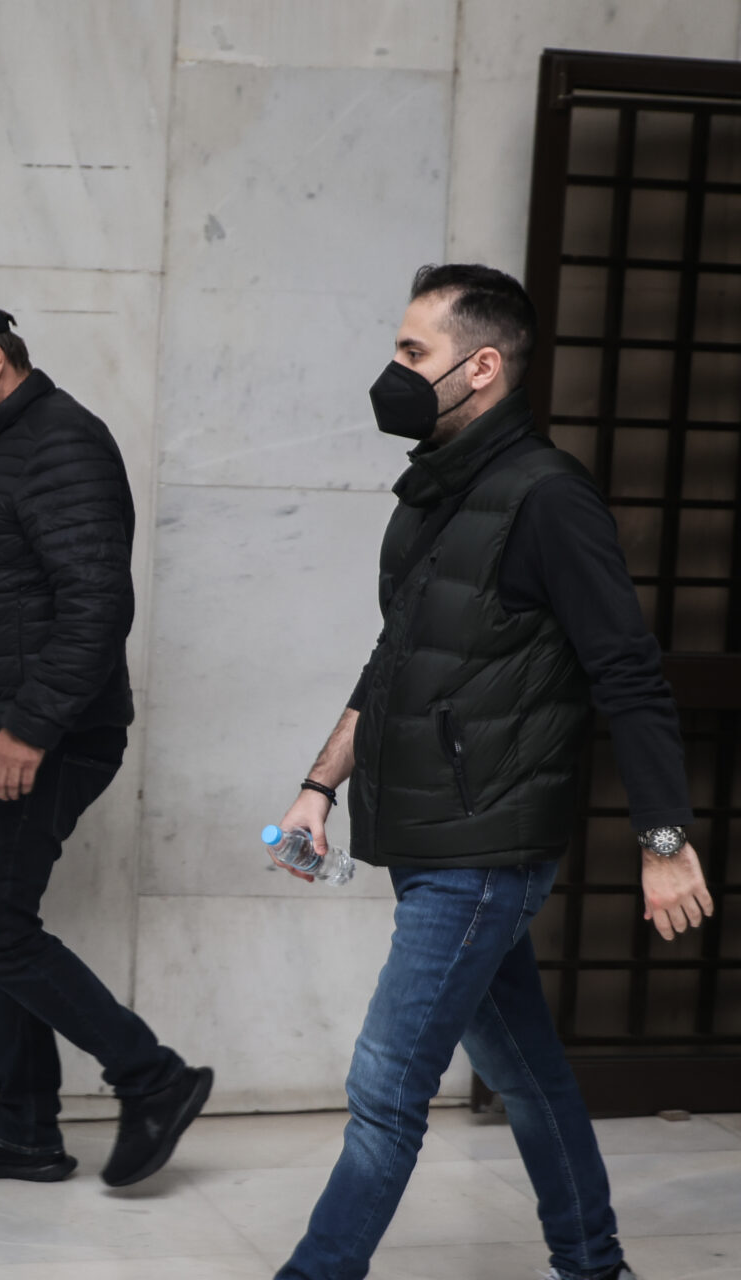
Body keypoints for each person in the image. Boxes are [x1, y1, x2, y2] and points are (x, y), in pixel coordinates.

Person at [270, 264, 716, 1280]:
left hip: (483, 847)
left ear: (480, 368)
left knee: (385, 1086)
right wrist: (319, 784)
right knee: (527, 1072)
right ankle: (594, 1264)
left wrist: (663, 839)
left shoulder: (549, 498)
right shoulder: (437, 489)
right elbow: (397, 657)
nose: (392, 370)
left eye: (411, 352)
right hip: (428, 835)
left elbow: (628, 672)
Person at [0, 295, 212, 1188]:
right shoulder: (10, 446)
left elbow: (97, 602)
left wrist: (28, 729)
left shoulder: (60, 441)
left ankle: (153, 1077)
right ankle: (26, 1127)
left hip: (38, 730)